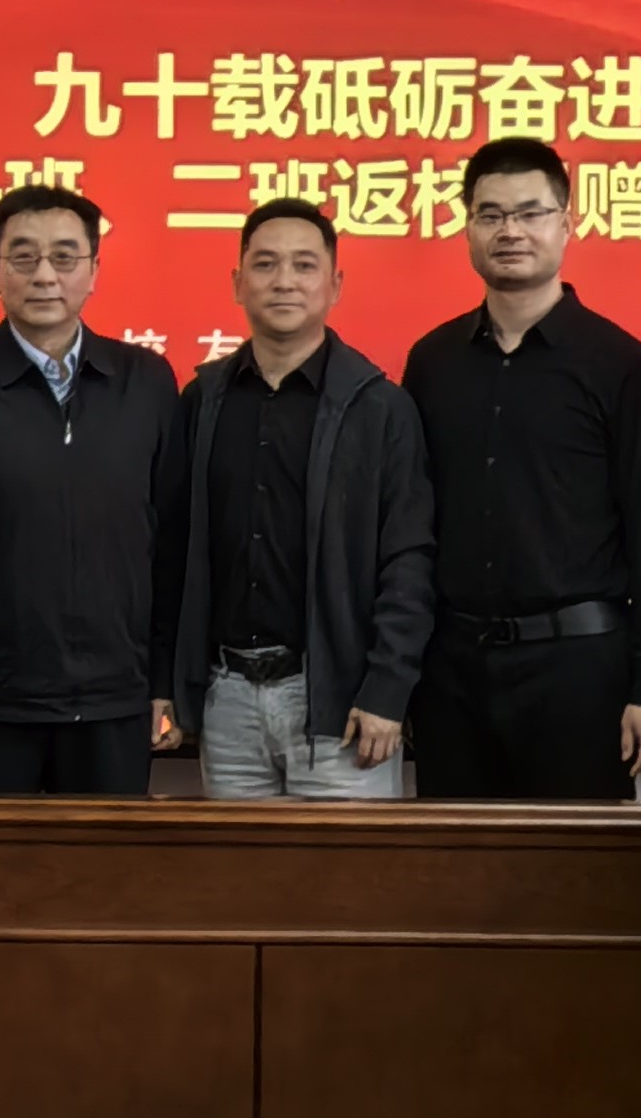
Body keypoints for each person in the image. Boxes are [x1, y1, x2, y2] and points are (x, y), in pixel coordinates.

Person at [399, 137, 641, 800]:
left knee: (577, 864)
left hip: (580, 673)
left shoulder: (621, 364)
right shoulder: (432, 362)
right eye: (491, 214)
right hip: (452, 673)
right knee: (456, 858)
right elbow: (411, 522)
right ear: (468, 228)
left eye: (531, 213)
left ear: (566, 223)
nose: (511, 231)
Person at [0, 185, 184, 797]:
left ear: (93, 270)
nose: (44, 275)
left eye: (65, 256)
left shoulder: (146, 382)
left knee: (108, 861)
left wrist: (164, 679)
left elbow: (169, 545)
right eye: (23, 257)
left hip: (115, 702)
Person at [154, 200, 434, 800]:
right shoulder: (202, 401)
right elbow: (173, 548)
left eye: (305, 265)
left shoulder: (379, 407)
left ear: (335, 285)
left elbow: (408, 559)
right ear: (238, 283)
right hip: (227, 697)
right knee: (241, 865)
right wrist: (168, 682)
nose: (284, 281)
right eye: (265, 264)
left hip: (340, 702)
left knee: (344, 867)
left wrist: (387, 690)